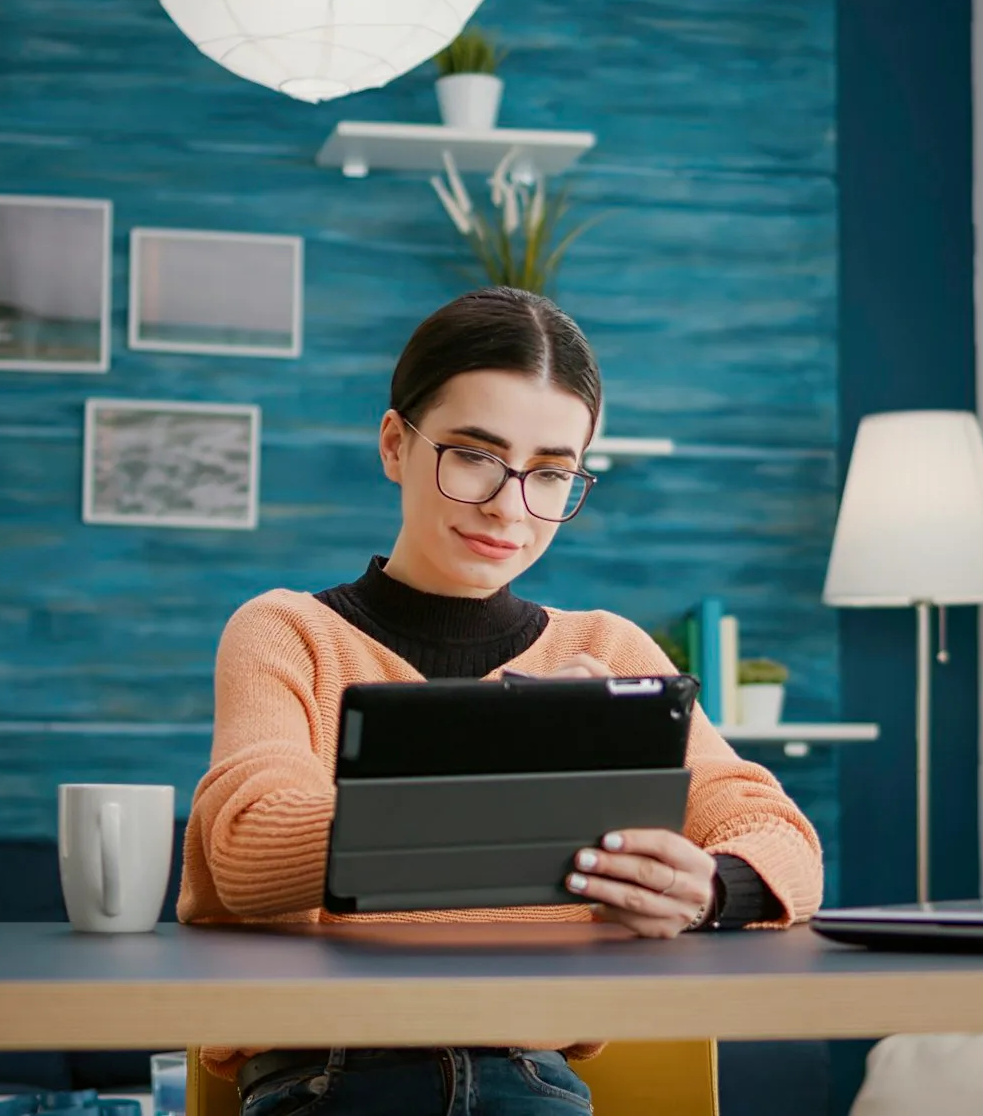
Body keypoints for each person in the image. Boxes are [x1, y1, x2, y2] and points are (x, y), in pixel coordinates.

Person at [177, 287, 825, 1115]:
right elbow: (248, 848)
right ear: (393, 444)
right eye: (475, 455)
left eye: (551, 472)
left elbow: (782, 838)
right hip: (326, 1076)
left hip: (531, 1077)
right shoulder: (286, 631)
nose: (509, 506)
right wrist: (514, 758)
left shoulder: (608, 653)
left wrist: (712, 888)